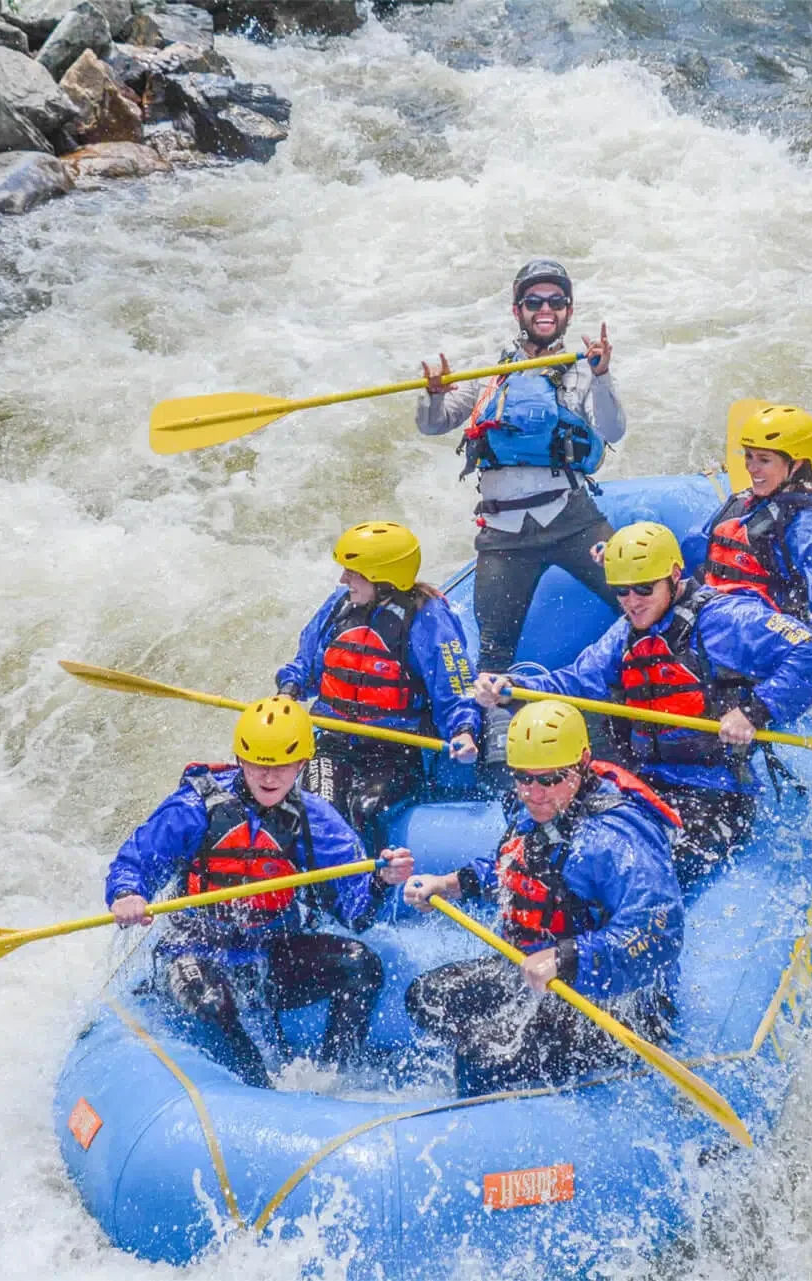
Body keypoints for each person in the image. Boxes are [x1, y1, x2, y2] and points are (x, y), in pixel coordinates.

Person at [473, 522, 812, 885]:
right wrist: (515, 686)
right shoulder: (627, 631)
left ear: (675, 575)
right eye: (621, 591)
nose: (631, 601)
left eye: (643, 588)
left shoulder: (726, 619)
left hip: (714, 792)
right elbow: (576, 681)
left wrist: (754, 711)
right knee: (559, 838)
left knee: (641, 868)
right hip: (644, 783)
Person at [105, 696, 415, 1088]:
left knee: (361, 966)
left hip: (269, 952)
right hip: (196, 950)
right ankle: (259, 1090)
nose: (269, 778)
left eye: (282, 766)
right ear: (240, 760)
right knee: (211, 1003)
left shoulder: (315, 820)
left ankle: (333, 1080)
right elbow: (134, 863)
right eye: (258, 765)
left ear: (302, 764)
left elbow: (356, 913)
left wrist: (380, 881)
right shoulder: (192, 808)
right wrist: (128, 893)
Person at [401, 699, 684, 1096]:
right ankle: (520, 1074)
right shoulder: (538, 807)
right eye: (523, 778)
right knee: (426, 997)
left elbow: (659, 933)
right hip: (533, 976)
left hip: (606, 1002)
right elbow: (514, 863)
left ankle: (519, 1092)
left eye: (550, 779)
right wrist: (447, 884)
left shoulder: (615, 839)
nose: (534, 793)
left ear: (584, 761)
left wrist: (565, 957)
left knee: (481, 1057)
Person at [415, 259, 628, 738]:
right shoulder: (493, 369)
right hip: (504, 533)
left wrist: (603, 376)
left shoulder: (581, 367)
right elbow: (435, 423)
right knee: (494, 651)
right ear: (518, 310)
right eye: (535, 301)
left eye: (556, 301)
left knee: (638, 598)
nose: (545, 309)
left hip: (572, 517)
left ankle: (641, 707)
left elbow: (613, 430)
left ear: (569, 311)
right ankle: (496, 752)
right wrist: (433, 394)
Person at [276, 521, 480, 843]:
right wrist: (288, 691)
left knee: (365, 809)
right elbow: (306, 666)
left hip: (394, 748)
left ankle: (372, 880)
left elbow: (454, 687)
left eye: (353, 572)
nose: (343, 579)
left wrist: (464, 730)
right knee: (320, 809)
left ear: (383, 578)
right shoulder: (339, 606)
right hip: (333, 741)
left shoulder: (426, 617)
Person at [700, 404, 812, 651]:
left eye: (764, 460)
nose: (751, 468)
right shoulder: (741, 504)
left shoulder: (808, 524)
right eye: (749, 456)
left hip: (765, 646)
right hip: (715, 630)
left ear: (796, 464)